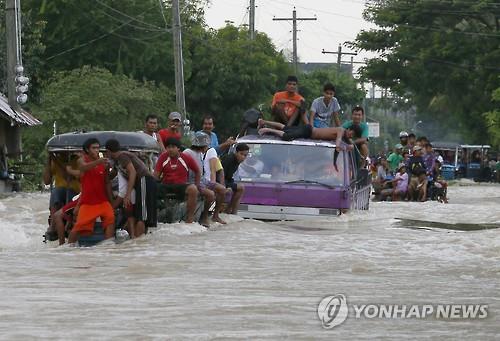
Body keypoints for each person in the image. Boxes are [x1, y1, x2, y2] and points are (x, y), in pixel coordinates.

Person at [105, 139, 157, 238]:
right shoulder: (117, 161)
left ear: (108, 151)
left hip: (144, 180)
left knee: (142, 216)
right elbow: (112, 175)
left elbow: (132, 172)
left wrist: (128, 194)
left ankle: (138, 241)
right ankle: (137, 240)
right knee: (138, 215)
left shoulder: (122, 156)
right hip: (140, 183)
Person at [67, 138, 115, 244]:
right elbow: (83, 168)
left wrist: (111, 202)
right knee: (78, 227)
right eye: (94, 148)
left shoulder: (104, 163)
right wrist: (98, 161)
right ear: (87, 150)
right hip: (88, 202)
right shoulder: (82, 160)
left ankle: (109, 247)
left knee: (110, 220)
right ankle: (68, 249)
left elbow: (107, 182)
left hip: (102, 201)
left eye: (98, 148)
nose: (96, 150)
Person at [154, 138, 201, 224]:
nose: (170, 149)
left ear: (178, 148)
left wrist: (197, 185)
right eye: (168, 147)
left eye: (173, 147)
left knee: (193, 189)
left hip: (181, 185)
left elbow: (197, 171)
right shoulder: (163, 157)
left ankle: (190, 219)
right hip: (166, 185)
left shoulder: (186, 157)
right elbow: (156, 175)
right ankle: (152, 218)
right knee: (151, 188)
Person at [184, 132, 226, 225]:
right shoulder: (187, 152)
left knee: (222, 190)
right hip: (192, 180)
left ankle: (215, 215)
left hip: (202, 179)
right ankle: (204, 217)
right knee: (211, 194)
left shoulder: (200, 154)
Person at [257, 118, 358, 152]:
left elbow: (352, 144)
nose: (350, 136)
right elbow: (337, 144)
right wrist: (344, 147)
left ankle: (263, 121)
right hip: (309, 131)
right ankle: (267, 129)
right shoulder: (341, 130)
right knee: (287, 136)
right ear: (348, 129)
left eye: (352, 136)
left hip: (309, 130)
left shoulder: (345, 135)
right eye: (351, 134)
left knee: (286, 128)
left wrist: (351, 145)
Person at [220, 143, 249, 214]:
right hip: (219, 181)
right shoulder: (229, 159)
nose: (243, 157)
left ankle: (233, 212)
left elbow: (229, 176)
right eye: (241, 154)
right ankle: (228, 211)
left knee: (241, 188)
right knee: (241, 187)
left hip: (227, 180)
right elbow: (221, 173)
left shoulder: (237, 161)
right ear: (236, 152)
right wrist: (224, 186)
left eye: (245, 155)